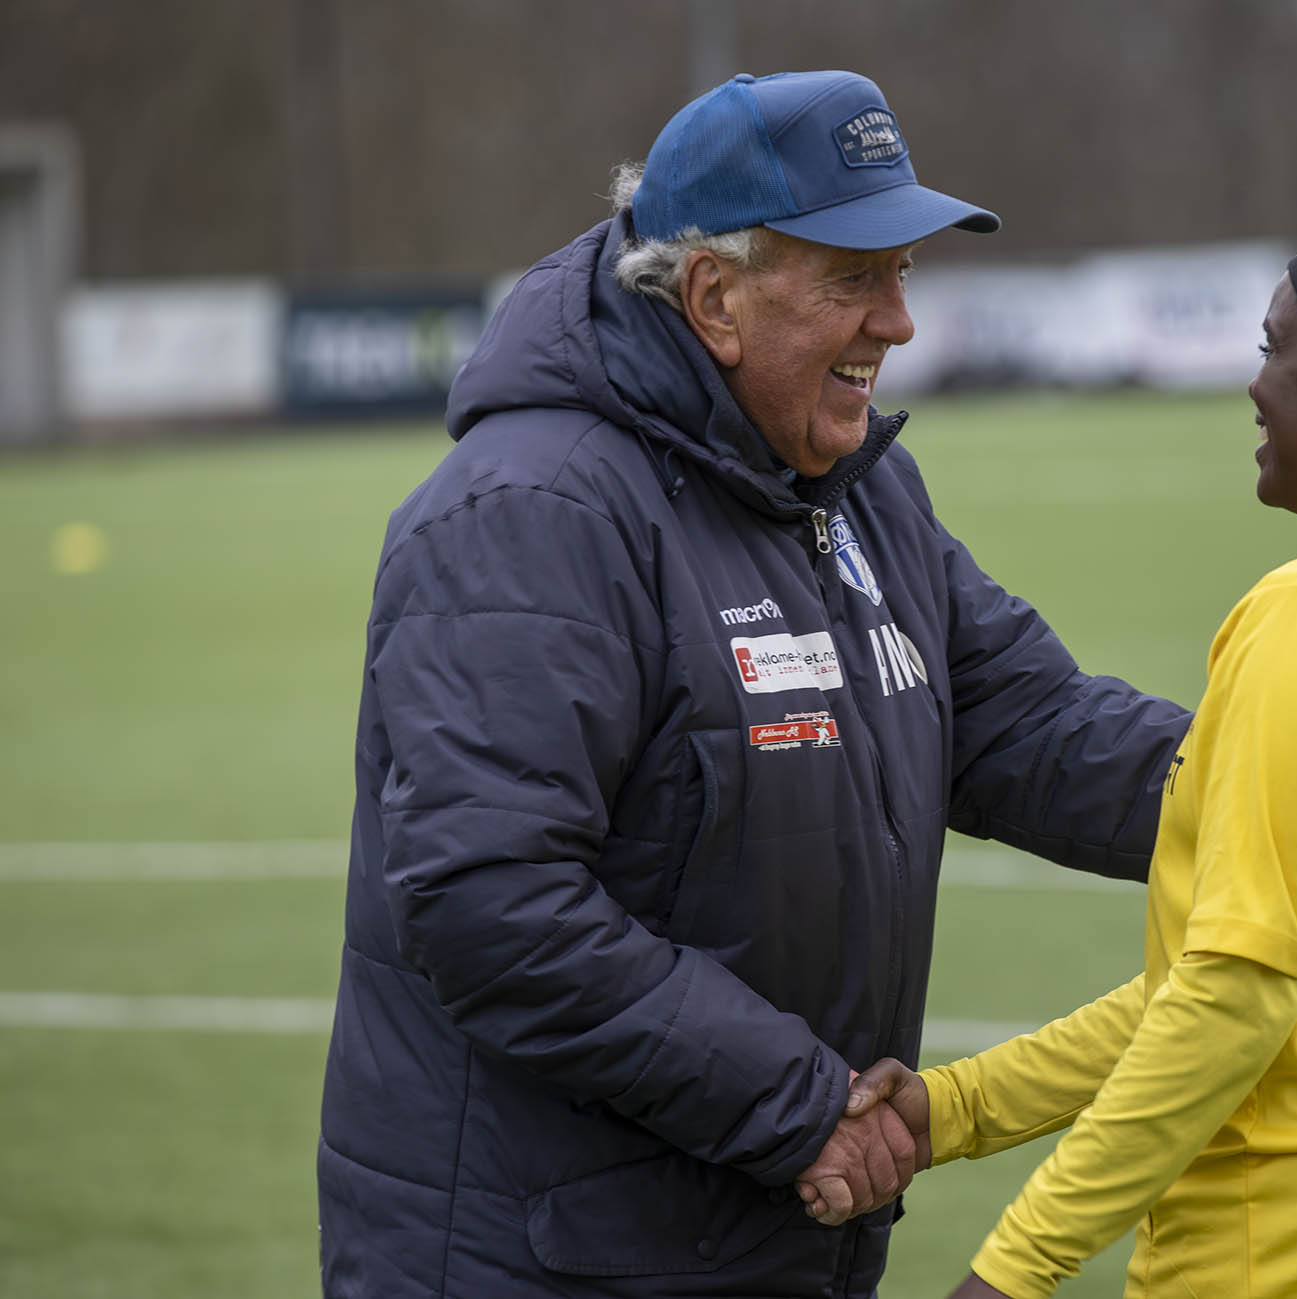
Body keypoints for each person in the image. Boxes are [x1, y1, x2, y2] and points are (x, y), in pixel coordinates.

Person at [316, 71, 1190, 1299]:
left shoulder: (856, 488)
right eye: (852, 279)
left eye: (902, 273)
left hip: (760, 1236)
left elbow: (1028, 722)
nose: (899, 323)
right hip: (549, 1262)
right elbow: (489, 901)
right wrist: (802, 1106)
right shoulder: (532, 511)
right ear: (713, 298)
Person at [814, 188, 1297, 1298]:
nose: (1250, 380)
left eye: (1272, 348)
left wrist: (1014, 1266)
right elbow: (1274, 981)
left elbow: (1233, 1000)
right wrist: (957, 1109)